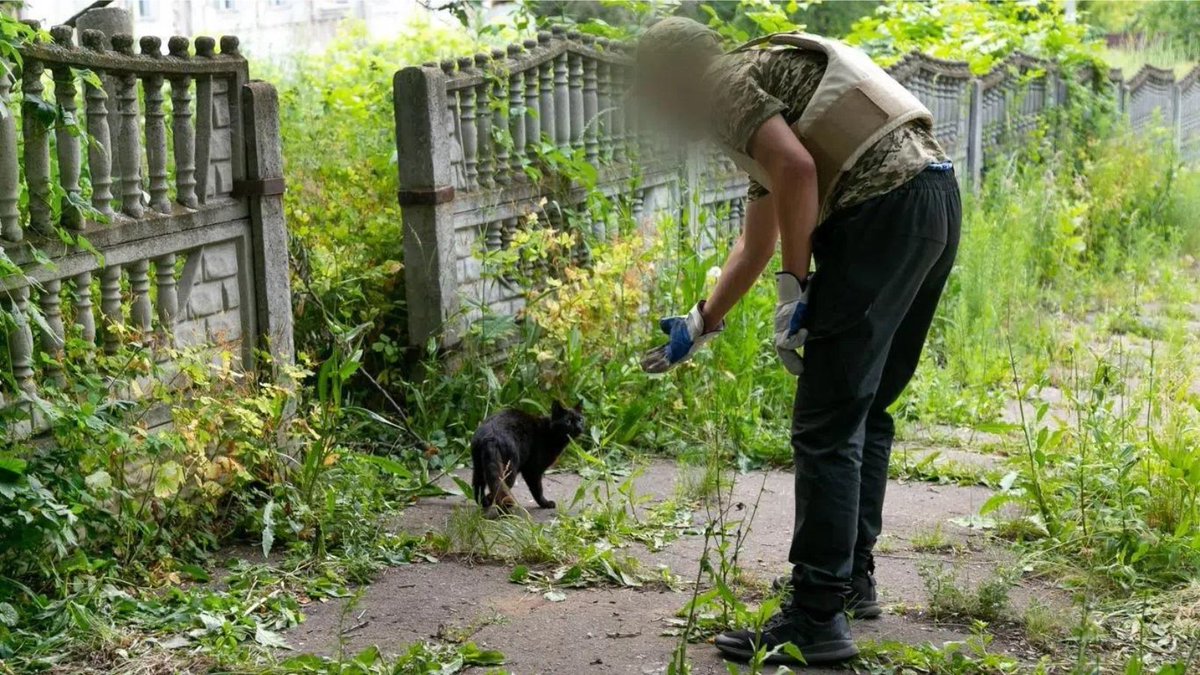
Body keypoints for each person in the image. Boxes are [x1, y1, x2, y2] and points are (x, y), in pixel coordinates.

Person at [637, 16, 962, 665]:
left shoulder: (723, 83)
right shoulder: (765, 84)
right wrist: (702, 320)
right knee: (863, 411)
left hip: (883, 212)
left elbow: (796, 171)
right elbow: (759, 232)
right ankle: (849, 582)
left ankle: (815, 616)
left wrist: (795, 287)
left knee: (826, 421)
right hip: (933, 203)